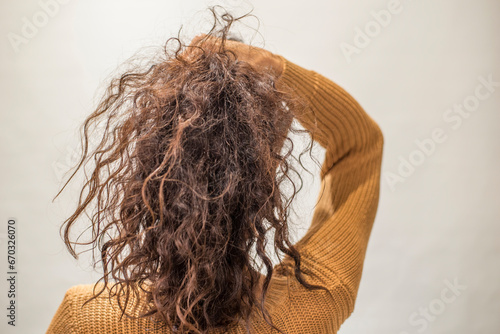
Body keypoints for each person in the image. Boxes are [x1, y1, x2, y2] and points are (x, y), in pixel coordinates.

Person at [46, 11, 383, 334]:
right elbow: (360, 143)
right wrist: (273, 67)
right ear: (266, 173)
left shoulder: (86, 318)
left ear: (152, 171)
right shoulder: (310, 307)